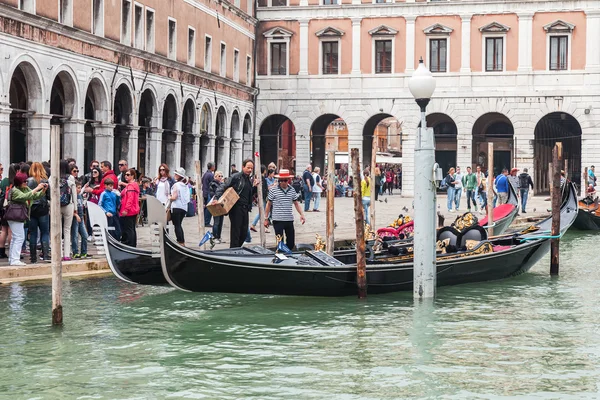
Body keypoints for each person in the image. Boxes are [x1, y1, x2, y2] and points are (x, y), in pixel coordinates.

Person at [213, 159, 259, 248]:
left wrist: (255, 187)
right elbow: (223, 186)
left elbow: (249, 193)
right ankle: (233, 250)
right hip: (236, 207)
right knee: (236, 231)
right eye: (248, 167)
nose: (250, 170)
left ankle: (237, 247)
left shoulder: (249, 180)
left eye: (251, 168)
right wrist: (217, 199)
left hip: (245, 208)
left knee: (244, 232)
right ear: (243, 167)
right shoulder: (236, 177)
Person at [5, 172, 48, 266]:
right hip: (15, 216)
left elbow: (34, 196)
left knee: (16, 238)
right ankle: (15, 259)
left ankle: (12, 259)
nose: (25, 183)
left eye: (26, 181)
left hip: (18, 216)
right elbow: (26, 196)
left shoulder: (24, 188)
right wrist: (37, 188)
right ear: (18, 182)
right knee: (19, 237)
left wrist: (43, 191)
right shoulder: (15, 190)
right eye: (23, 181)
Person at [264, 169, 306, 250]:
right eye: (281, 180)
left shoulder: (292, 190)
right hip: (277, 219)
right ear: (279, 180)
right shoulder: (273, 190)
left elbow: (296, 203)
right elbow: (268, 204)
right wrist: (266, 218)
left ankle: (288, 256)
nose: (283, 182)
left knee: (291, 242)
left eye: (285, 180)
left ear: (288, 180)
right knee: (280, 243)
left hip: (289, 219)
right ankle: (281, 256)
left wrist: (302, 214)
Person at [27, 162, 51, 263]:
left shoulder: (28, 181)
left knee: (33, 233)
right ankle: (45, 255)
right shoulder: (45, 181)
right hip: (43, 208)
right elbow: (49, 196)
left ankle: (33, 258)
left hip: (32, 208)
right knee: (45, 232)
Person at [58, 160, 78, 261]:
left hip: (56, 206)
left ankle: (58, 254)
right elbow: (74, 194)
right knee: (67, 230)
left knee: (57, 230)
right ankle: (66, 254)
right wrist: (76, 208)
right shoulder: (70, 178)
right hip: (69, 204)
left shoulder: (53, 177)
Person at [170, 167, 191, 246]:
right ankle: (181, 241)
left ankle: (180, 241)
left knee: (177, 225)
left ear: (179, 176)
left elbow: (174, 197)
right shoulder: (185, 186)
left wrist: (169, 197)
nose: (175, 175)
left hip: (176, 207)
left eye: (176, 174)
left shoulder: (176, 185)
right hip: (184, 207)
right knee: (179, 225)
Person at [120, 168, 141, 247]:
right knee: (131, 228)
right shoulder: (132, 185)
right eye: (125, 174)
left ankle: (129, 244)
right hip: (133, 210)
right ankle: (132, 244)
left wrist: (126, 209)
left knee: (128, 228)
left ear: (133, 176)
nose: (126, 176)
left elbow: (130, 199)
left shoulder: (131, 186)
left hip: (129, 210)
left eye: (128, 175)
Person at [71, 180, 90, 258]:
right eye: (77, 188)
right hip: (75, 218)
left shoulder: (80, 196)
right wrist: (75, 215)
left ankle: (84, 252)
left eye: (80, 188)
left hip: (81, 218)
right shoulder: (72, 196)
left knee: (85, 235)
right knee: (74, 236)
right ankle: (75, 252)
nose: (79, 190)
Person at [250, 166, 271, 234]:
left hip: (261, 197)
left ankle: (260, 226)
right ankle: (255, 224)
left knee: (263, 212)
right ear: (264, 170)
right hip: (263, 197)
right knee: (263, 212)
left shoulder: (260, 178)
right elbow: (264, 189)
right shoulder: (262, 179)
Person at [209, 171, 225, 244]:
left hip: (221, 204)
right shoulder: (213, 184)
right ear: (215, 177)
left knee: (221, 222)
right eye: (219, 176)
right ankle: (215, 236)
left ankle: (219, 236)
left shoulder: (222, 184)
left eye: (221, 176)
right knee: (216, 222)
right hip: (215, 205)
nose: (221, 177)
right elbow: (213, 194)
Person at [202, 162, 215, 227]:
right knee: (209, 208)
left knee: (206, 208)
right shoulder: (211, 175)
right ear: (212, 167)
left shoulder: (205, 174)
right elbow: (213, 183)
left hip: (205, 192)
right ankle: (206, 222)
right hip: (209, 192)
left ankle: (204, 221)